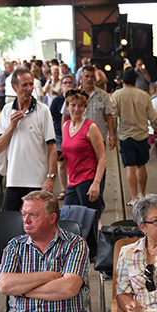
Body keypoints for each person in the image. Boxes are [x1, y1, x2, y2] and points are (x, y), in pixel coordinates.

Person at [0, 191, 89, 312]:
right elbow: (4, 285)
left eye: (33, 215)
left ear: (52, 218)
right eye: (24, 214)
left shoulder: (75, 244)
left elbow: (68, 288)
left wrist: (22, 290)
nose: (26, 220)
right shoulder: (15, 245)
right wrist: (48, 275)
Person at [0, 66, 58, 211]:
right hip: (14, 180)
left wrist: (50, 177)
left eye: (31, 84)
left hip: (38, 181)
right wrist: (12, 126)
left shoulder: (43, 110)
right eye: (24, 85)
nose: (29, 88)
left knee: (38, 221)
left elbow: (52, 147)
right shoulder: (6, 110)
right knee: (7, 220)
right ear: (14, 87)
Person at [111, 67, 157, 206]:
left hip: (125, 136)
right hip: (142, 135)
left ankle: (133, 198)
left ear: (123, 80)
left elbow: (113, 117)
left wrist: (111, 135)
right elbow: (152, 116)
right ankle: (142, 195)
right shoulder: (144, 95)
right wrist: (156, 130)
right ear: (136, 79)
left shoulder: (117, 95)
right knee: (141, 166)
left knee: (130, 167)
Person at [61, 88, 107, 218]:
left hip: (88, 181)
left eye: (80, 105)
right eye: (73, 105)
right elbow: (70, 150)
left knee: (91, 221)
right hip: (72, 181)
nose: (77, 109)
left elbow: (102, 158)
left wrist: (96, 183)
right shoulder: (66, 126)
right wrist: (61, 156)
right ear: (67, 106)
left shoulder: (91, 127)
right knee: (67, 218)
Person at [61, 65, 116, 152]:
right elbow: (65, 117)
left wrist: (112, 136)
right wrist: (65, 137)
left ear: (95, 78)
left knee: (100, 160)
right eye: (86, 76)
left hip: (98, 140)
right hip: (77, 141)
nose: (89, 79)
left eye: (92, 76)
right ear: (81, 78)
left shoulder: (103, 95)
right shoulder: (73, 94)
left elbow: (109, 117)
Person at [51, 75, 74, 199]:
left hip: (74, 134)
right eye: (65, 82)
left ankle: (72, 187)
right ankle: (64, 189)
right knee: (61, 162)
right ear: (61, 85)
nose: (67, 85)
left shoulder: (76, 100)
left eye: (70, 82)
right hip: (59, 134)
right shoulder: (57, 101)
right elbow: (51, 118)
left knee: (73, 161)